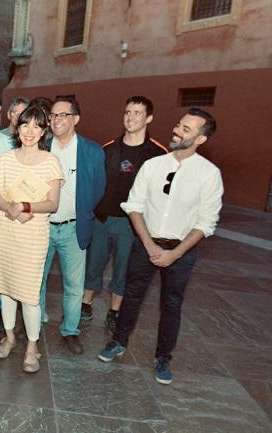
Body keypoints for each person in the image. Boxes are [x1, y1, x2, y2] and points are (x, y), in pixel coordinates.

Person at [98, 108, 223, 385]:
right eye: (179, 124)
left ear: (201, 139)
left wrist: (174, 253)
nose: (177, 130)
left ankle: (163, 356)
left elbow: (206, 222)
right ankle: (118, 341)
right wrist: (149, 244)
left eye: (187, 129)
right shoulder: (153, 165)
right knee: (131, 295)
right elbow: (134, 205)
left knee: (172, 304)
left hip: (182, 250)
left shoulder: (209, 174)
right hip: (146, 242)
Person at [0, 107, 64, 373]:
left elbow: (52, 204)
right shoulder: (5, 159)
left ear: (44, 131)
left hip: (32, 235)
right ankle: (9, 337)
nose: (30, 132)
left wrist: (25, 206)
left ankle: (32, 346)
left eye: (36, 127)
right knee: (5, 288)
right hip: (4, 230)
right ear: (17, 128)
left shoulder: (51, 161)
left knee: (29, 294)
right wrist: (10, 206)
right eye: (25, 126)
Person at [82, 96, 167, 334]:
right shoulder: (108, 149)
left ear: (149, 118)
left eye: (137, 113)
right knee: (93, 264)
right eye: (128, 112)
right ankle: (85, 305)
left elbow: (161, 194)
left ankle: (114, 312)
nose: (131, 117)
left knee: (123, 269)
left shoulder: (158, 154)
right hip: (103, 219)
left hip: (132, 225)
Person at [39, 95, 105, 355]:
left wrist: (82, 210)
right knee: (37, 280)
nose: (56, 120)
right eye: (53, 115)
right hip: (42, 226)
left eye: (62, 115)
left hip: (73, 228)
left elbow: (98, 189)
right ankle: (34, 323)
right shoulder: (42, 147)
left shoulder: (91, 151)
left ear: (76, 119)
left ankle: (70, 330)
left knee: (74, 286)